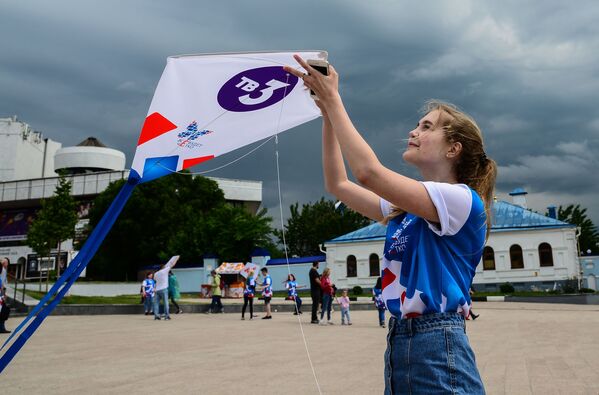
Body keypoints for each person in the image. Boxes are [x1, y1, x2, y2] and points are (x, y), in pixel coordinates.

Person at [286, 56, 496, 393]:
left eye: (427, 127)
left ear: (453, 149)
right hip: (402, 338)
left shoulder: (462, 201)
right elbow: (338, 184)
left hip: (438, 340)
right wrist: (326, 115)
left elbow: (367, 173)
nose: (413, 131)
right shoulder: (405, 210)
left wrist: (334, 99)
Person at [153, 255, 179, 320]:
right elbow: (172, 264)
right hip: (163, 289)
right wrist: (176, 258)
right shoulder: (165, 270)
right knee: (166, 303)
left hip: (157, 290)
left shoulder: (156, 273)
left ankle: (156, 316)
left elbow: (155, 281)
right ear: (163, 267)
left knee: (156, 303)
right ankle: (167, 316)